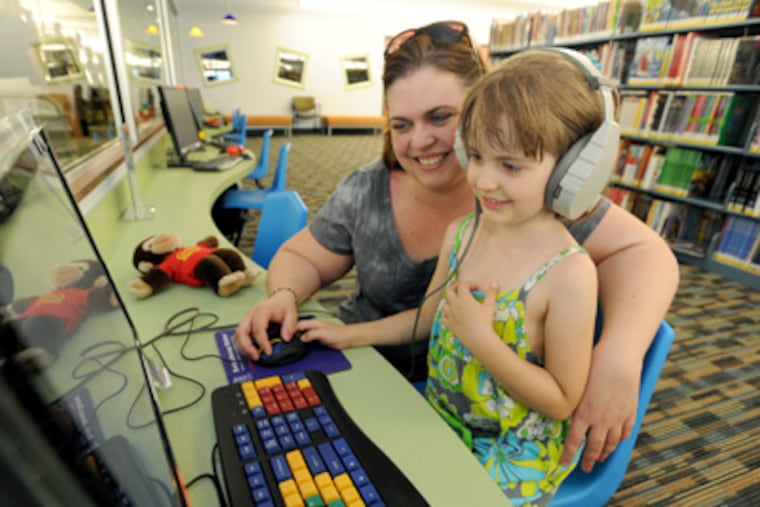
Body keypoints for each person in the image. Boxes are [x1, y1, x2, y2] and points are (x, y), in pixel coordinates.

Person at [234, 20, 679, 475]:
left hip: (492, 433)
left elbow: (646, 255)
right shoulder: (450, 220)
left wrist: (619, 356)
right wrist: (288, 298)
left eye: (441, 118)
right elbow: (314, 261)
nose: (419, 141)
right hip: (408, 392)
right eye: (401, 124)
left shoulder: (543, 213)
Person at [418, 46, 605, 505]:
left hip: (512, 447)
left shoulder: (570, 274)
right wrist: (346, 336)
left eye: (510, 165)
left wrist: (481, 338)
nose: (482, 180)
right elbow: (422, 319)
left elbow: (561, 399)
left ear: (572, 172)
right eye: (476, 156)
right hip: (444, 417)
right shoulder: (463, 231)